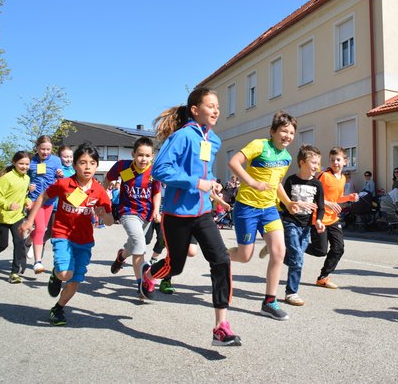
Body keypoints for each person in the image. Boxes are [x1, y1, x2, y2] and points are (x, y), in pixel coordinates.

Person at [140, 87, 241, 346]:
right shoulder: (182, 137)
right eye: (211, 106)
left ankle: (221, 326)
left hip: (203, 212)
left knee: (220, 260)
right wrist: (196, 182)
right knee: (175, 266)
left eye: (218, 106)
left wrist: (212, 185)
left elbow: (203, 174)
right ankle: (149, 276)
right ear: (195, 110)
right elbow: (160, 170)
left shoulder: (214, 140)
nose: (216, 110)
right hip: (176, 214)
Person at [20, 143, 112, 325]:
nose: (87, 167)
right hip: (63, 235)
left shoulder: (99, 191)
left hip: (85, 241)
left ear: (97, 166)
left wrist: (104, 214)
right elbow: (43, 196)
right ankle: (56, 273)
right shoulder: (64, 184)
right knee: (64, 274)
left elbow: (110, 221)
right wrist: (30, 221)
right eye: (82, 163)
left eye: (92, 163)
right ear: (75, 165)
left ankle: (58, 309)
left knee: (74, 283)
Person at [228, 110, 300, 321]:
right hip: (246, 207)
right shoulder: (259, 145)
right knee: (244, 256)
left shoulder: (286, 157)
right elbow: (233, 162)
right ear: (272, 131)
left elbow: (276, 183)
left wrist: (287, 203)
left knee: (279, 251)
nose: (287, 136)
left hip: (269, 209)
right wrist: (251, 182)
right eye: (283, 131)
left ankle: (269, 302)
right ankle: (221, 256)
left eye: (291, 133)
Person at [106, 136, 162, 300]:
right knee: (139, 243)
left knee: (134, 244)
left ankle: (121, 256)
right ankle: (141, 284)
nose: (143, 159)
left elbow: (157, 192)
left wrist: (157, 211)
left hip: (147, 214)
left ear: (152, 156)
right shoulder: (123, 167)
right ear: (133, 154)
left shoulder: (154, 171)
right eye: (140, 155)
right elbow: (107, 181)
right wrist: (102, 204)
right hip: (128, 212)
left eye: (147, 156)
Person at [305, 147, 359, 289]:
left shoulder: (342, 178)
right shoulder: (324, 176)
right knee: (320, 251)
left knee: (339, 248)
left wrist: (349, 197)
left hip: (333, 219)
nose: (335, 163)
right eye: (332, 160)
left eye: (338, 160)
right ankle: (295, 244)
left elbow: (336, 199)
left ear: (345, 162)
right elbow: (313, 197)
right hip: (319, 218)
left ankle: (323, 277)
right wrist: (328, 203)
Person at [281, 144, 325, 306]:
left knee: (294, 257)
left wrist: (319, 221)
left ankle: (282, 253)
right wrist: (296, 203)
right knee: (298, 259)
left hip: (306, 227)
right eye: (313, 162)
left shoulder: (317, 184)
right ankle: (291, 292)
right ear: (302, 162)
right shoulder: (291, 181)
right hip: (290, 222)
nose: (316, 166)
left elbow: (320, 207)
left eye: (318, 163)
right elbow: (281, 202)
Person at [0, 152, 31, 283]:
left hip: (17, 216)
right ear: (14, 163)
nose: (24, 167)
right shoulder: (7, 178)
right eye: (21, 163)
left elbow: (22, 195)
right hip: (2, 217)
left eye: (27, 164)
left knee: (19, 242)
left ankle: (14, 273)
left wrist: (27, 201)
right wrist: (8, 205)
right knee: (2, 244)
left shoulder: (26, 178)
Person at [27, 135, 63, 274]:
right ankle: (38, 262)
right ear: (37, 148)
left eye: (48, 149)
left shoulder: (56, 161)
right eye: (43, 149)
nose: (45, 152)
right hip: (35, 199)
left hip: (49, 199)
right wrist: (28, 186)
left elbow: (60, 179)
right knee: (41, 229)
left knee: (43, 229)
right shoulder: (31, 161)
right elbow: (25, 177)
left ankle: (27, 242)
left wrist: (60, 175)